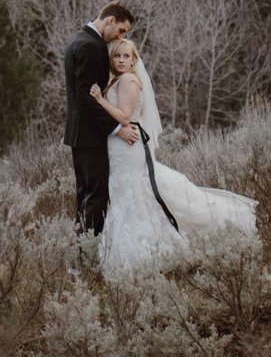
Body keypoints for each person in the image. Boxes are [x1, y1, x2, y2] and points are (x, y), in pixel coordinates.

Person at [88, 37, 257, 272]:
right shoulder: (116, 81)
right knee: (127, 193)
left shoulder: (128, 80)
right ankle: (136, 250)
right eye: (117, 56)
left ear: (134, 59)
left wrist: (98, 100)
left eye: (127, 56)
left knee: (134, 192)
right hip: (119, 147)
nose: (122, 60)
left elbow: (125, 116)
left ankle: (144, 253)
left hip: (129, 146)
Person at [63, 0, 138, 235]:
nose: (119, 37)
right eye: (121, 30)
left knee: (85, 194)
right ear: (110, 20)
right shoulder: (91, 46)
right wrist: (117, 129)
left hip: (79, 134)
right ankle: (87, 254)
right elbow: (85, 99)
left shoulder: (77, 39)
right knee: (96, 196)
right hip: (90, 135)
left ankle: (79, 257)